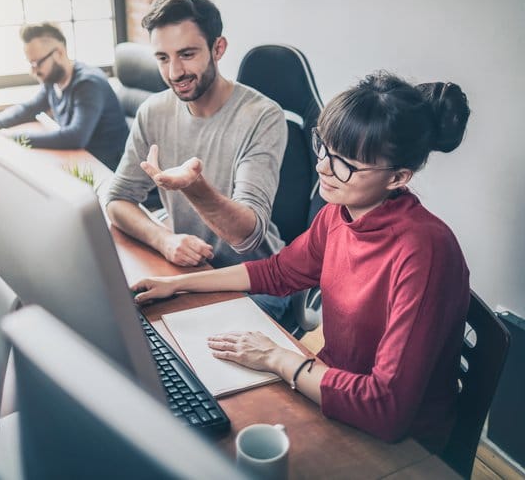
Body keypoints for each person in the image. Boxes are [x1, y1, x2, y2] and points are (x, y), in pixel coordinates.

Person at [131, 72, 471, 451]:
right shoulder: (338, 214)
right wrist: (177, 284)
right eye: (323, 148)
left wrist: (277, 358)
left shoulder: (425, 251)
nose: (323, 167)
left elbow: (386, 408)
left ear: (399, 177)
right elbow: (278, 272)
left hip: (401, 443)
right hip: (327, 387)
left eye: (346, 164)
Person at [104, 0, 290, 319]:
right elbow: (118, 199)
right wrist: (164, 239)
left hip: (254, 282)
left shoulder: (262, 116)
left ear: (218, 48)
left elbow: (246, 237)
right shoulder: (154, 111)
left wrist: (193, 186)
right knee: (126, 328)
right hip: (187, 272)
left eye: (187, 54)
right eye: (162, 57)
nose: (174, 72)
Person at [0, 23, 129, 171]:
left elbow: (75, 137)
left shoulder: (88, 84)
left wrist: (14, 138)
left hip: (108, 169)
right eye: (30, 63)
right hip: (81, 160)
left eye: (37, 63)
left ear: (59, 53)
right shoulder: (53, 81)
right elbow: (29, 108)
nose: (32, 71)